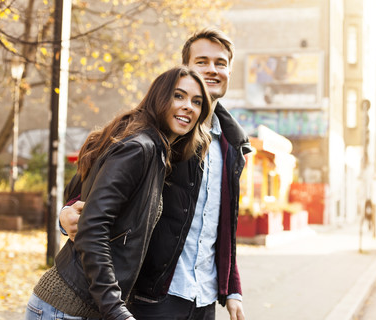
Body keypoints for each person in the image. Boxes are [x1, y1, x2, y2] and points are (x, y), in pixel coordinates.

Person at [60, 27, 251, 320]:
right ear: (185, 68)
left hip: (204, 298)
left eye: (220, 63)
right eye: (202, 61)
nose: (212, 70)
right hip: (151, 296)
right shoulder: (164, 129)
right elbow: (91, 179)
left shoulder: (233, 143)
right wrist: (66, 212)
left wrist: (232, 288)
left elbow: (221, 224)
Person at [25, 66, 212, 320]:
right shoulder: (139, 148)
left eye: (197, 101)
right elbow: (93, 228)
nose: (188, 106)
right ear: (159, 97)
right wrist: (116, 310)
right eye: (179, 96)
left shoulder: (150, 146)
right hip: (66, 308)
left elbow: (82, 196)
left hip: (82, 307)